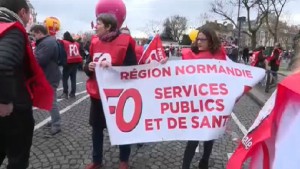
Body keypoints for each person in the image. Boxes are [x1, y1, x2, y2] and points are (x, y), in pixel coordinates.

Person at [0, 0, 53, 168]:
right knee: (18, 160)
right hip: (14, 110)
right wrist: (4, 101)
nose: (29, 18)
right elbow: (3, 64)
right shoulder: (13, 30)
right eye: (29, 13)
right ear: (22, 12)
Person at [84, 13, 137, 169]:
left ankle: (124, 160)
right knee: (97, 129)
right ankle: (96, 160)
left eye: (99, 24)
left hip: (119, 94)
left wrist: (113, 66)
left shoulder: (126, 42)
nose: (95, 26)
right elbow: (86, 65)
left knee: (121, 128)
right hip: (98, 95)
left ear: (108, 27)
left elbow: (132, 68)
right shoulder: (94, 42)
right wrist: (89, 67)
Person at [181, 26, 227, 169]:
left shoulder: (220, 56)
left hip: (212, 104)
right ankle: (185, 166)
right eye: (197, 39)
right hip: (195, 105)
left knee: (209, 137)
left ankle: (204, 161)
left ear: (211, 40)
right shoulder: (190, 54)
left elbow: (227, 77)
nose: (199, 42)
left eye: (202, 39)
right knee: (193, 140)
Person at [30, 24, 62, 135]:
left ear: (39, 32)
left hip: (50, 76)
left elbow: (39, 60)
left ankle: (56, 124)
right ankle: (54, 120)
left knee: (52, 101)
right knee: (51, 100)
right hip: (49, 74)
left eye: (34, 35)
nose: (33, 38)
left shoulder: (47, 43)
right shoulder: (47, 41)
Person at [59, 31, 83, 99]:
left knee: (65, 78)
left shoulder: (63, 42)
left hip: (68, 62)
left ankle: (65, 93)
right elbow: (80, 51)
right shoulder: (76, 43)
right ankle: (73, 93)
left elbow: (62, 53)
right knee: (73, 78)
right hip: (75, 62)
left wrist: (62, 63)